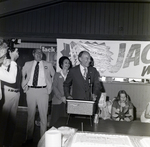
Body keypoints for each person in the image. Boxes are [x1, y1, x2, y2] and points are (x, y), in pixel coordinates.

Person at [21, 48, 55, 146]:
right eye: (37, 53)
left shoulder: (48, 65)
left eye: (40, 53)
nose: (39, 54)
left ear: (42, 55)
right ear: (33, 54)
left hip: (43, 91)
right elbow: (22, 76)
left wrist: (50, 87)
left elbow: (54, 76)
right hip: (31, 91)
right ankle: (29, 138)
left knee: (43, 116)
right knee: (30, 116)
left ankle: (43, 140)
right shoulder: (27, 64)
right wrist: (24, 86)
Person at [0, 48, 20, 147]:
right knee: (2, 122)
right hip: (6, 95)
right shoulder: (11, 63)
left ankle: (7, 144)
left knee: (11, 122)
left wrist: (5, 65)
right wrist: (13, 60)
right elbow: (11, 79)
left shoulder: (4, 65)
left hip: (15, 94)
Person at [50, 56, 72, 126]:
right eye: (65, 63)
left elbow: (72, 87)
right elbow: (54, 87)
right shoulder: (57, 74)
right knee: (55, 122)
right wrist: (61, 97)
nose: (67, 64)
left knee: (66, 123)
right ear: (61, 64)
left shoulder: (71, 75)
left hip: (67, 102)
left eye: (68, 63)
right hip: (57, 101)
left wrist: (68, 97)